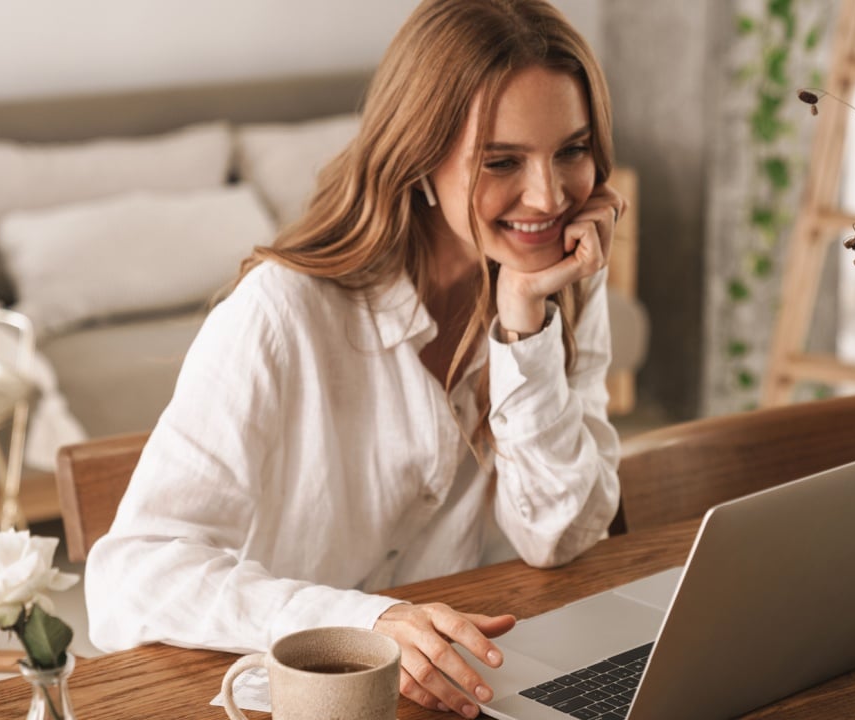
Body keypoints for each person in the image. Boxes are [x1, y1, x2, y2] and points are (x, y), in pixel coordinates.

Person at [84, 0, 626, 716]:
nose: (550, 197)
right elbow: (129, 576)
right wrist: (363, 621)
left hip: (457, 693)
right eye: (502, 160)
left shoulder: (556, 287)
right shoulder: (283, 311)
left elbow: (556, 536)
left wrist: (526, 329)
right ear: (418, 158)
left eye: (571, 150)